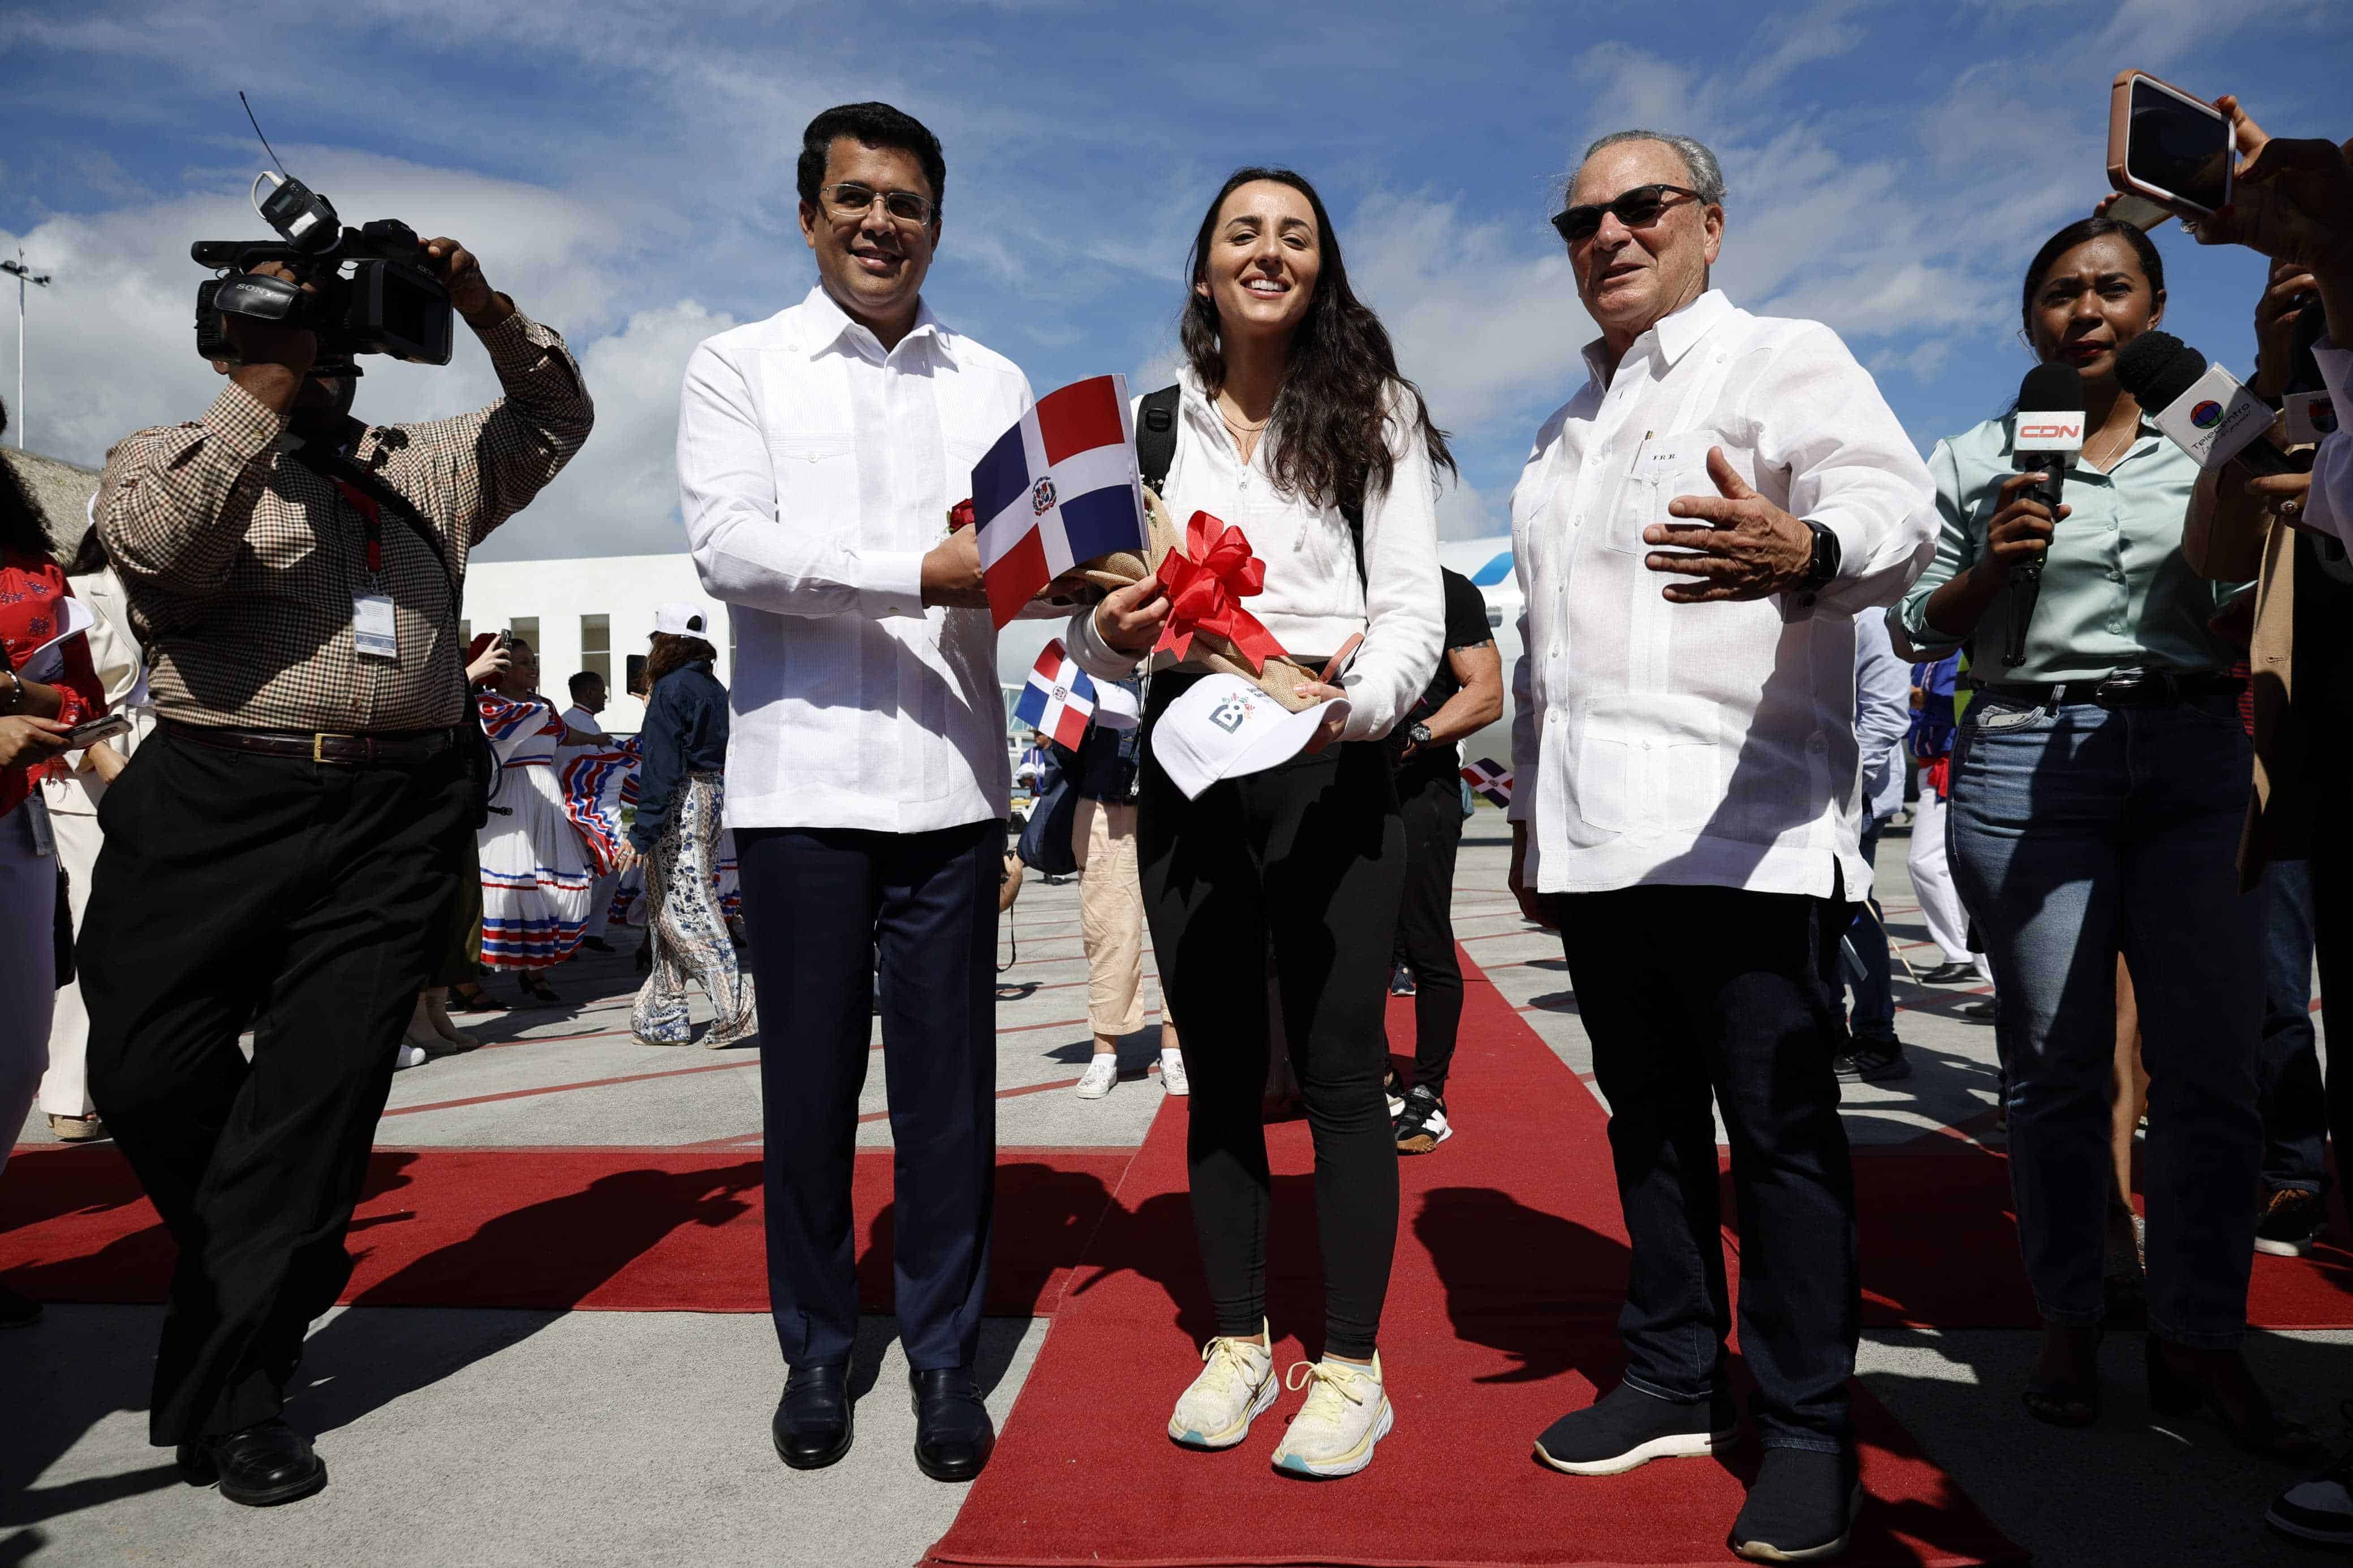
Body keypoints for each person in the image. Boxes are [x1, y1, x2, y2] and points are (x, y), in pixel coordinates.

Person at [81, 233, 590, 1505]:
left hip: (390, 815)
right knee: (141, 1071)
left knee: (314, 1110)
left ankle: (240, 1398)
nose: (314, 355)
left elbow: (554, 414)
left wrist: (477, 300)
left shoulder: (415, 466)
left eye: (323, 336)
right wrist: (260, 390)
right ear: (226, 338)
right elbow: (155, 550)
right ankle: (276, 1261)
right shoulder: (160, 455)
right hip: (214, 795)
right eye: (278, 330)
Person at [1506, 129, 1934, 1561]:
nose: (1609, 235)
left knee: (1785, 1142)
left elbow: (1892, 503)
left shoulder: (1778, 357)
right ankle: (1675, 1372)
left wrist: (1811, 551)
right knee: (1647, 1129)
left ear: (1710, 225)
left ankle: (1808, 1423)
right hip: (1593, 840)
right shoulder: (1559, 434)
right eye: (1582, 219)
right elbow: (1541, 662)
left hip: (1744, 829)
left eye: (1641, 207)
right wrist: (1529, 820)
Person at [1893, 214, 2312, 1461]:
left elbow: (2273, 573)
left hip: (2192, 752)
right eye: (2062, 294)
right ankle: (2070, 1316)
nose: (2088, 312)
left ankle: (2197, 1337)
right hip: (2027, 757)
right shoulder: (1979, 455)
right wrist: (1987, 572)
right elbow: (1918, 620)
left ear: (2156, 303)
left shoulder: (2215, 432)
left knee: (2208, 1075)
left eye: (2113, 289)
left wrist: (2258, 487)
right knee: (2057, 1071)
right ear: (2030, 323)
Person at [676, 101, 1031, 1483]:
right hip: (802, 789)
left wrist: (1098, 581)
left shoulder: (993, 382)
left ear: (938, 222)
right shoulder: (737, 364)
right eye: (856, 198)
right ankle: (818, 1346)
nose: (881, 223)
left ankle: (945, 1356)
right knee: (806, 1095)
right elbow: (732, 547)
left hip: (948, 786)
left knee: (951, 1102)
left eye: (907, 203)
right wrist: (923, 571)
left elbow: (1019, 564)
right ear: (809, 212)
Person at [1073, 164, 1446, 1479]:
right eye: (1244, 233)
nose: (1268, 251)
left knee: (1343, 1072)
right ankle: (1238, 1336)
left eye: (1295, 235)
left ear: (1321, 268)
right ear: (1203, 271)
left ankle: (1352, 1362)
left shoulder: (1375, 412)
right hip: (1186, 757)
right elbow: (1100, 618)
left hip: (1328, 753)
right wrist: (1112, 634)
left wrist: (1359, 703)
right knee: (1218, 1071)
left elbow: (1411, 603)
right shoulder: (1146, 423)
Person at [0, 400, 105, 1329]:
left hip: (18, 813)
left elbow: (72, 693)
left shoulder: (33, 570)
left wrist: (9, 691)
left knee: (14, 1051)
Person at [39, 526, 150, 1140]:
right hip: (89, 774)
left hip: (162, 767)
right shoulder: (78, 589)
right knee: (92, 927)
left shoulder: (175, 592)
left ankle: (129, 1078)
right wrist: (102, 759)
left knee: (148, 934)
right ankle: (67, 1088)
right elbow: (61, 690)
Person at [1386, 565, 1502, 1150]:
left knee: (1424, 942)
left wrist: (1416, 735)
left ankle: (1428, 1094)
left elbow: (1486, 692)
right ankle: (1376, 1072)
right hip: (1340, 789)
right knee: (1342, 943)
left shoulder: (1444, 588)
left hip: (1419, 789)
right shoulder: (1334, 576)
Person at [626, 604, 756, 1048]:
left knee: (686, 907)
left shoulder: (670, 688)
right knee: (669, 904)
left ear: (668, 642)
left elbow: (660, 766)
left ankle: (737, 1007)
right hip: (711, 794)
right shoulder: (712, 686)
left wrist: (643, 830)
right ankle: (664, 1014)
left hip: (680, 802)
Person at [1066, 680, 1188, 1101]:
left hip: (1174, 800)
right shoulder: (1092, 646)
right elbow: (1057, 739)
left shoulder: (1178, 643)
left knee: (1178, 925)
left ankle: (1175, 1046)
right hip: (1103, 801)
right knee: (1107, 933)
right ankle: (1105, 1053)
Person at [473, 634, 605, 1002]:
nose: (533, 667)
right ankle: (469, 978)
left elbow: (563, 734)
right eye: (523, 661)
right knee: (509, 884)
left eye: (534, 661)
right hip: (511, 803)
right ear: (501, 669)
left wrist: (598, 740)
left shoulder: (544, 705)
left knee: (548, 887)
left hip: (546, 804)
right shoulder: (487, 706)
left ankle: (536, 971)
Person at [1835, 608, 1915, 1083]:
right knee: (1816, 917)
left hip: (1851, 798)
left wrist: (1844, 788)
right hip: (1808, 789)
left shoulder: (1871, 617)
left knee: (1852, 914)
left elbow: (1885, 717)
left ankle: (1875, 1034)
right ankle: (1830, 1029)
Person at [1902, 653, 1993, 996]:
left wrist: (1904, 693)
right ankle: (1961, 954)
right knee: (1937, 865)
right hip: (1936, 765)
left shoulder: (1956, 653)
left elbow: (1944, 699)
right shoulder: (1926, 656)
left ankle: (1983, 969)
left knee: (1940, 864)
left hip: (1953, 764)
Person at [559, 669, 620, 954]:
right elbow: (576, 770)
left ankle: (591, 932)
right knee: (580, 876)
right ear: (589, 693)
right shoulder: (570, 723)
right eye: (602, 690)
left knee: (608, 870)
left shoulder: (588, 724)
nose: (606, 696)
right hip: (578, 810)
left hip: (592, 809)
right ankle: (572, 935)